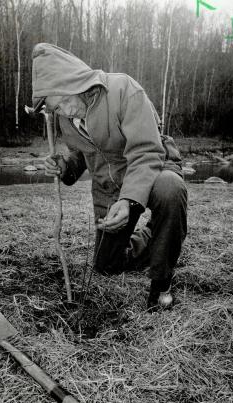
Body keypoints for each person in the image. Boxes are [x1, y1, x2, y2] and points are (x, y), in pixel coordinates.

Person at [31, 43, 187, 311]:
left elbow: (146, 151)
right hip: (108, 186)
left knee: (170, 189)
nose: (65, 112)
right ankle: (157, 235)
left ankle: (161, 282)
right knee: (106, 265)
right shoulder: (67, 118)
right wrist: (64, 166)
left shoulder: (124, 90)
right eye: (56, 109)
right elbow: (80, 154)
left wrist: (129, 200)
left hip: (152, 169)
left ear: (73, 83)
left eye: (64, 102)